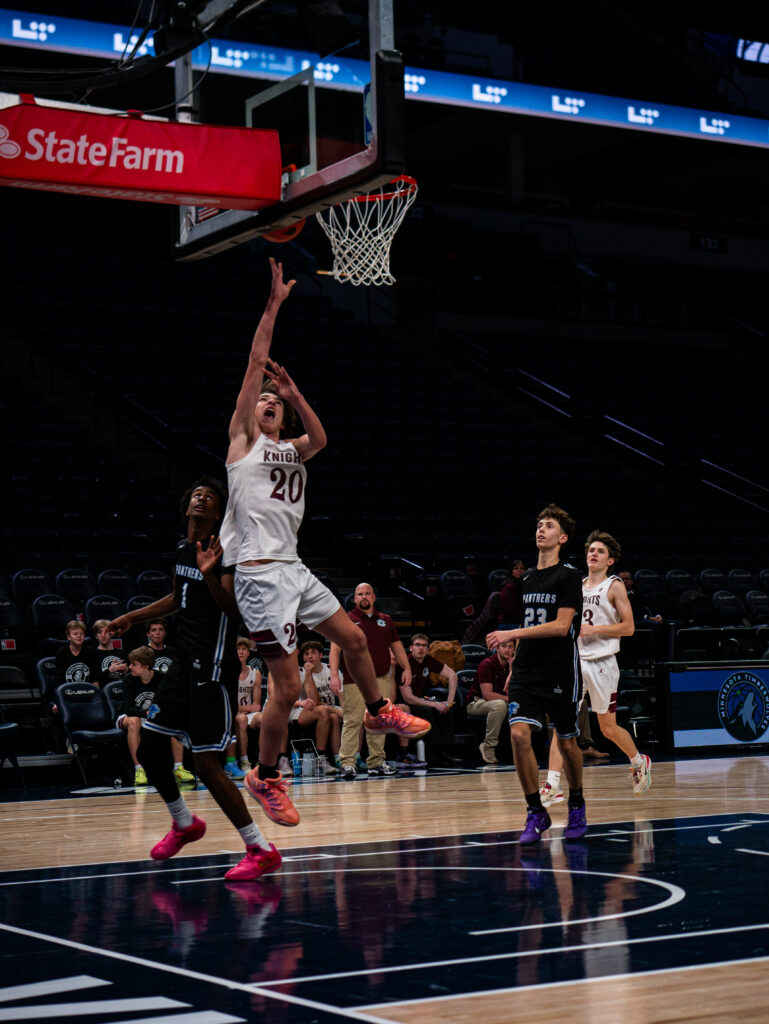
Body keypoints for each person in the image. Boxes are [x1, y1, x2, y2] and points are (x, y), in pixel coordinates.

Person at [218, 259, 430, 823]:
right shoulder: (242, 443)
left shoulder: (292, 448)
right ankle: (266, 776)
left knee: (354, 638)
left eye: (275, 403)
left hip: (293, 567)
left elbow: (321, 437)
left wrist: (295, 392)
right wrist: (273, 305)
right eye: (263, 399)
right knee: (286, 690)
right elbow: (255, 362)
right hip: (260, 575)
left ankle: (380, 709)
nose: (268, 402)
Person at [109, 478, 281, 882]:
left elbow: (235, 611)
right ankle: (184, 822)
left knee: (205, 764)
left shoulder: (225, 551)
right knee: (150, 749)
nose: (201, 498)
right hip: (182, 665)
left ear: (218, 512)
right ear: (187, 506)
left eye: (210, 497)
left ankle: (260, 848)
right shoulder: (184, 549)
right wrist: (133, 616)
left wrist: (208, 573)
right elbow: (177, 598)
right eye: (196, 495)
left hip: (212, 667)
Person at [487, 503, 587, 845]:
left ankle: (577, 803)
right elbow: (529, 622)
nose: (541, 529)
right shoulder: (527, 577)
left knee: (568, 743)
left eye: (549, 526)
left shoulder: (570, 575)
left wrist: (511, 634)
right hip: (527, 670)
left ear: (563, 538)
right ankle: (535, 811)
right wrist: (514, 663)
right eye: (539, 524)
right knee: (518, 735)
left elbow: (560, 626)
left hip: (559, 670)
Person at [541, 531, 652, 805]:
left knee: (607, 728)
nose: (594, 554)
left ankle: (639, 761)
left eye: (600, 551)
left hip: (603, 663)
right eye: (591, 550)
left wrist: (596, 629)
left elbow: (629, 627)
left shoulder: (614, 586)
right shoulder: (576, 585)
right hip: (576, 661)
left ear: (610, 560)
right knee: (563, 723)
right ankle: (552, 784)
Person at [329, 583, 412, 780]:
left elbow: (397, 646)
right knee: (353, 720)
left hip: (381, 678)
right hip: (354, 680)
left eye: (367, 593)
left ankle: (376, 761)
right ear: (355, 599)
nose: (364, 597)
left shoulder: (386, 620)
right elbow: (335, 649)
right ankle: (347, 762)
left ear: (374, 597)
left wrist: (407, 667)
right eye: (360, 594)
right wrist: (334, 674)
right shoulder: (346, 619)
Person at [116, 645, 193, 787]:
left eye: (134, 664)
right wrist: (146, 713)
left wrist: (155, 714)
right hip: (129, 716)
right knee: (134, 721)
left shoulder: (161, 678)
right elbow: (128, 708)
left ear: (145, 667)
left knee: (174, 721)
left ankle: (179, 768)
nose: (130, 667)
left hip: (153, 716)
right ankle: (139, 769)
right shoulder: (128, 679)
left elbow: (167, 702)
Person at [394, 634, 460, 767]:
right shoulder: (404, 664)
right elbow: (408, 698)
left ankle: (446, 750)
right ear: (411, 648)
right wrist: (435, 704)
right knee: (426, 710)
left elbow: (452, 675)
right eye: (417, 645)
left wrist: (448, 702)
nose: (421, 648)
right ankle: (433, 752)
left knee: (447, 709)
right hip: (403, 702)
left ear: (428, 649)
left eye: (424, 646)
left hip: (419, 698)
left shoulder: (429, 660)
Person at [466, 638, 514, 765]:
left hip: (500, 701)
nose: (507, 650)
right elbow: (488, 695)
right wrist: (509, 699)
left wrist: (511, 673)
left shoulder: (513, 666)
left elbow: (514, 692)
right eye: (504, 646)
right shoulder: (487, 664)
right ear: (497, 648)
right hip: (476, 703)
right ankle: (488, 746)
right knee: (500, 705)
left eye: (510, 647)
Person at [300, 640, 343, 769]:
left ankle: (341, 758)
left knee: (348, 716)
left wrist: (345, 711)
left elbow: (342, 695)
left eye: (313, 653)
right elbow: (314, 701)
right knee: (328, 712)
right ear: (303, 658)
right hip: (309, 710)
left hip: (330, 708)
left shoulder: (331, 670)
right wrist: (308, 674)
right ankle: (324, 758)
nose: (310, 656)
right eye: (306, 654)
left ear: (320, 655)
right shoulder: (301, 673)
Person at [231, 636, 262, 776]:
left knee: (264, 719)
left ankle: (262, 761)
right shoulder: (229, 673)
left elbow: (256, 705)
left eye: (244, 649)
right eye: (238, 649)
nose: (241, 652)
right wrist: (246, 709)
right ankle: (244, 761)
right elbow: (229, 703)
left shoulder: (256, 673)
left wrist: (248, 710)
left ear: (249, 652)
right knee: (241, 719)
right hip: (233, 713)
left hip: (247, 713)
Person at [56, 620, 101, 686]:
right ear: (68, 637)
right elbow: (59, 679)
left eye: (81, 634)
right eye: (75, 634)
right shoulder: (62, 652)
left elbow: (95, 678)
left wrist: (96, 691)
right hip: (68, 689)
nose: (79, 636)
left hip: (87, 689)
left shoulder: (90, 651)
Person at [92, 619, 128, 684]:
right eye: (99, 632)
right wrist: (109, 670)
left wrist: (125, 673)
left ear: (111, 633)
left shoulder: (122, 653)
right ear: (96, 636)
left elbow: (128, 678)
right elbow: (94, 679)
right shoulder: (93, 654)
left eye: (106, 632)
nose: (103, 635)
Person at [498, 559, 526, 628]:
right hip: (508, 623)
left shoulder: (525, 585)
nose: (519, 570)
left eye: (522, 568)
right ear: (511, 571)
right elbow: (509, 611)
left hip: (519, 621)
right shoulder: (509, 587)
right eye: (516, 569)